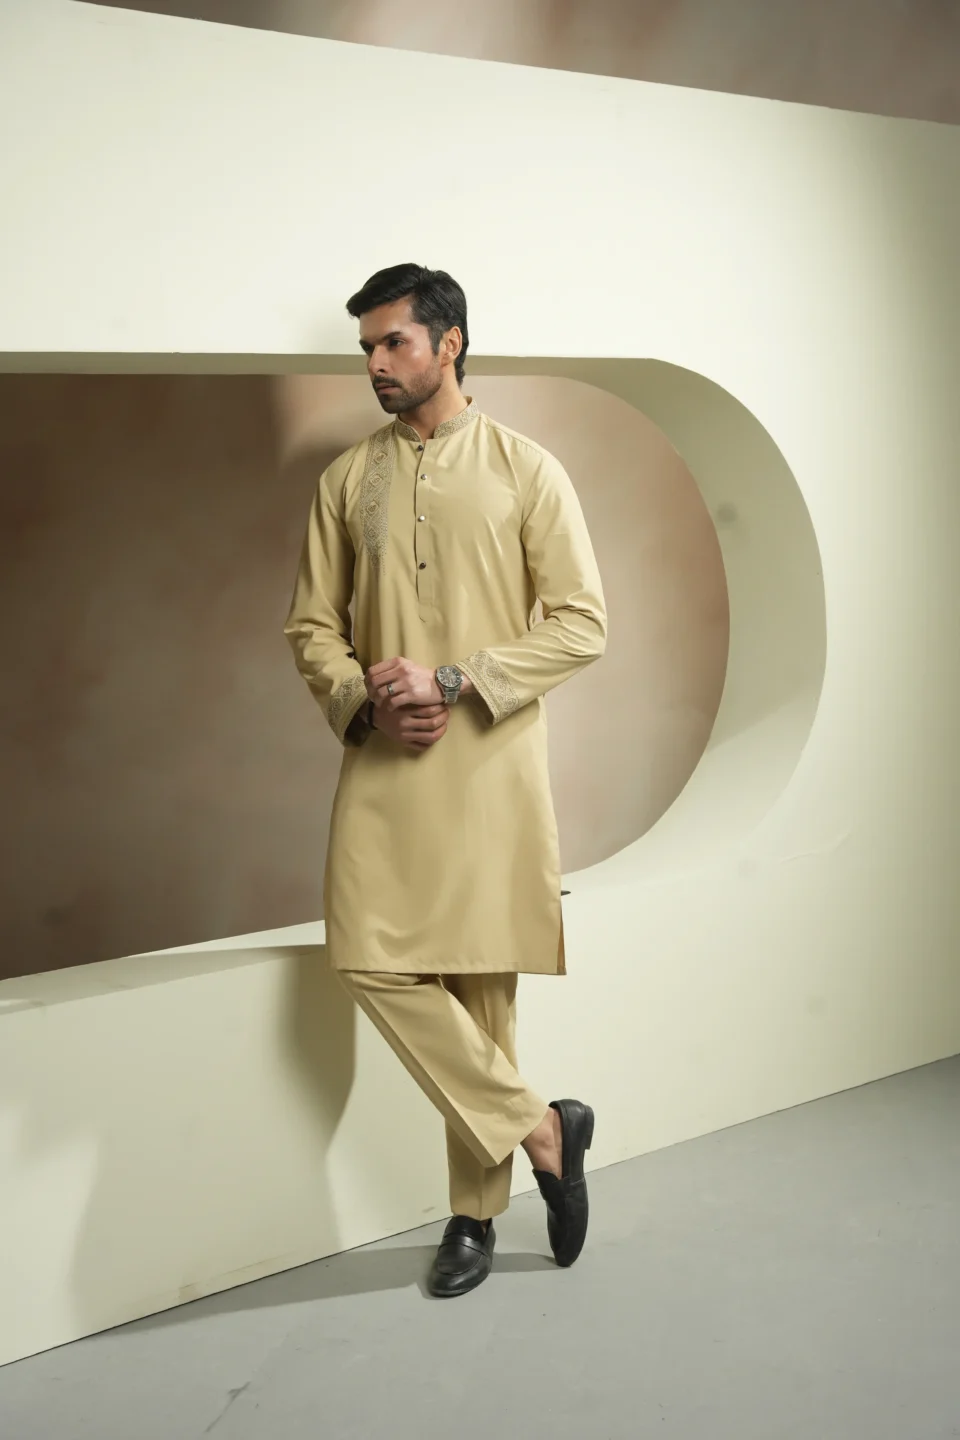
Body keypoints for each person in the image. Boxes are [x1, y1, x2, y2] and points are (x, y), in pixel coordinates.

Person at [285, 263, 607, 1298]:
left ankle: (474, 1218)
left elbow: (582, 624)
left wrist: (458, 679)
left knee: (480, 991)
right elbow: (311, 627)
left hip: (489, 767)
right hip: (386, 757)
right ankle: (544, 1131)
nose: (376, 364)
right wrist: (366, 699)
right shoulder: (347, 480)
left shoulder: (526, 470)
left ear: (449, 342)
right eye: (367, 348)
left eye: (394, 343)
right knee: (366, 954)